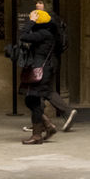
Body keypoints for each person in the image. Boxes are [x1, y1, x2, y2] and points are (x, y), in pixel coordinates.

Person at [33, 0, 76, 132]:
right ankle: (40, 121)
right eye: (36, 3)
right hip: (52, 60)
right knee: (45, 89)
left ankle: (62, 113)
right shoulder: (55, 21)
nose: (37, 5)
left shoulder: (45, 22)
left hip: (44, 62)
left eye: (40, 2)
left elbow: (33, 39)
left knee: (38, 90)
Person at [17, 8, 59, 144]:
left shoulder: (43, 34)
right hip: (42, 70)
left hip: (40, 71)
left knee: (34, 101)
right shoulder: (48, 33)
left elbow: (22, 36)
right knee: (30, 100)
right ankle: (48, 125)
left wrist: (30, 22)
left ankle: (37, 135)